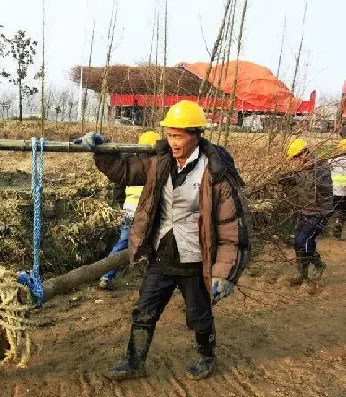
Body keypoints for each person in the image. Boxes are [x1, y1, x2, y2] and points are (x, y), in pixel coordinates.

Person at [75, 100, 251, 380]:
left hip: (195, 259)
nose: (173, 141)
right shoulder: (160, 161)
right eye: (170, 134)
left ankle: (206, 356)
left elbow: (231, 228)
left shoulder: (215, 172)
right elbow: (124, 170)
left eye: (179, 135)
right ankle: (134, 361)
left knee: (199, 316)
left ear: (196, 135)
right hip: (162, 254)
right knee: (144, 311)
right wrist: (101, 149)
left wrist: (225, 274)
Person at [99, 130, 161, 291]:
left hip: (129, 211)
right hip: (147, 214)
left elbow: (118, 188)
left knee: (123, 243)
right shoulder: (158, 167)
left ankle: (106, 275)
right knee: (157, 245)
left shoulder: (131, 164)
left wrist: (123, 205)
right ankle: (154, 281)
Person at [279, 138, 333, 286]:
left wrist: (295, 180)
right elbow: (298, 179)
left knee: (305, 242)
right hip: (306, 210)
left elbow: (311, 186)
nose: (295, 160)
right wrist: (285, 179)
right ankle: (303, 274)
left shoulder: (320, 168)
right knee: (298, 243)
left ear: (304, 153)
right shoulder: (305, 167)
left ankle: (316, 266)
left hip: (319, 212)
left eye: (296, 157)